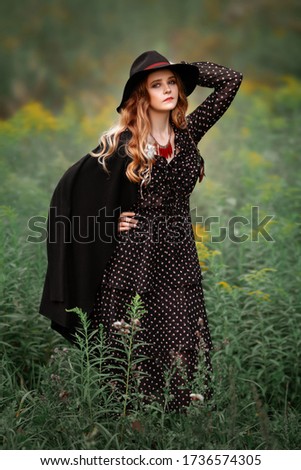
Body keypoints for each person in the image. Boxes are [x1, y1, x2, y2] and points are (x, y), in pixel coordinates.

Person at [40, 50, 243, 412]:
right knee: (130, 342)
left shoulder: (189, 133)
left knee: (183, 338)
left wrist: (186, 69)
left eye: (171, 83)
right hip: (135, 256)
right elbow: (70, 192)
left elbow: (232, 80)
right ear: (141, 94)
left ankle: (177, 418)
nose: (167, 89)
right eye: (156, 84)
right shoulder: (123, 143)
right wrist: (107, 221)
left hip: (179, 253)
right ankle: (128, 421)